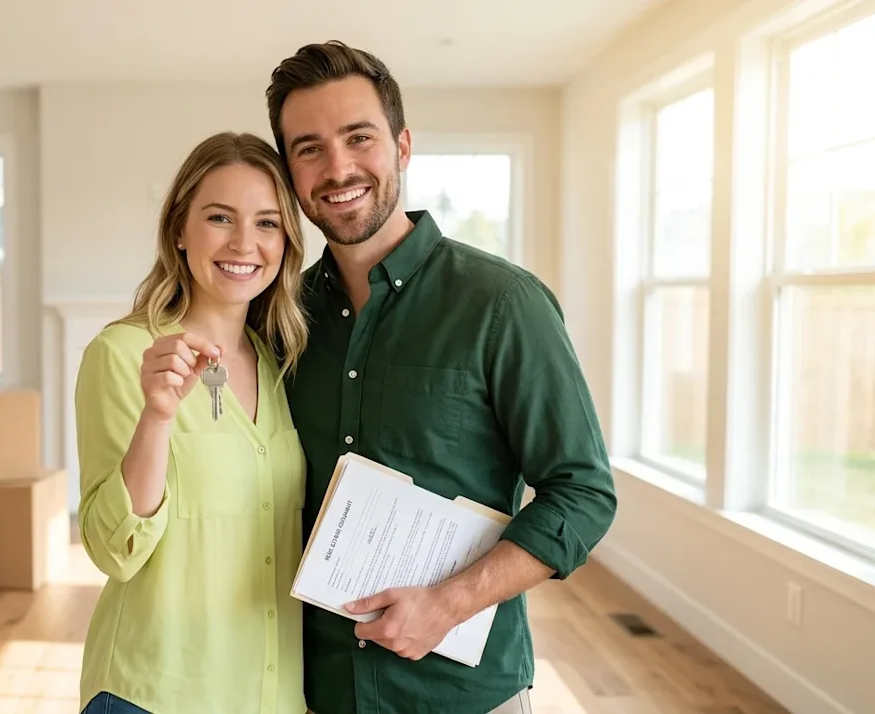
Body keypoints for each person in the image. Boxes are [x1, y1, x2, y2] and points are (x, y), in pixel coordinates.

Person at [264, 41, 618, 714]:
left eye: (357, 137)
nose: (337, 167)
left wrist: (449, 603)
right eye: (308, 148)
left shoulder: (503, 304)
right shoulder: (281, 319)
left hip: (461, 695)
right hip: (312, 689)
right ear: (288, 170)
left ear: (401, 145)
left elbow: (583, 492)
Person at [73, 131, 311, 714]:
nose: (243, 243)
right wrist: (157, 417)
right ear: (180, 230)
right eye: (219, 217)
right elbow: (113, 551)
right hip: (155, 694)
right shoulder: (123, 354)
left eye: (267, 223)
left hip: (268, 697)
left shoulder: (283, 364)